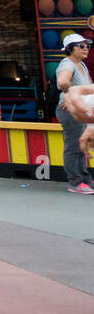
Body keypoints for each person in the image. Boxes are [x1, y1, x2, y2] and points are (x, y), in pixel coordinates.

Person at [56, 33, 93, 194]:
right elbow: (63, 81)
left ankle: (85, 179)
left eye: (88, 45)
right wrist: (70, 95)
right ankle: (75, 182)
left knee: (81, 145)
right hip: (70, 111)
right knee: (73, 146)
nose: (86, 48)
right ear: (70, 49)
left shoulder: (81, 65)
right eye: (82, 46)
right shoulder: (67, 63)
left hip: (79, 110)